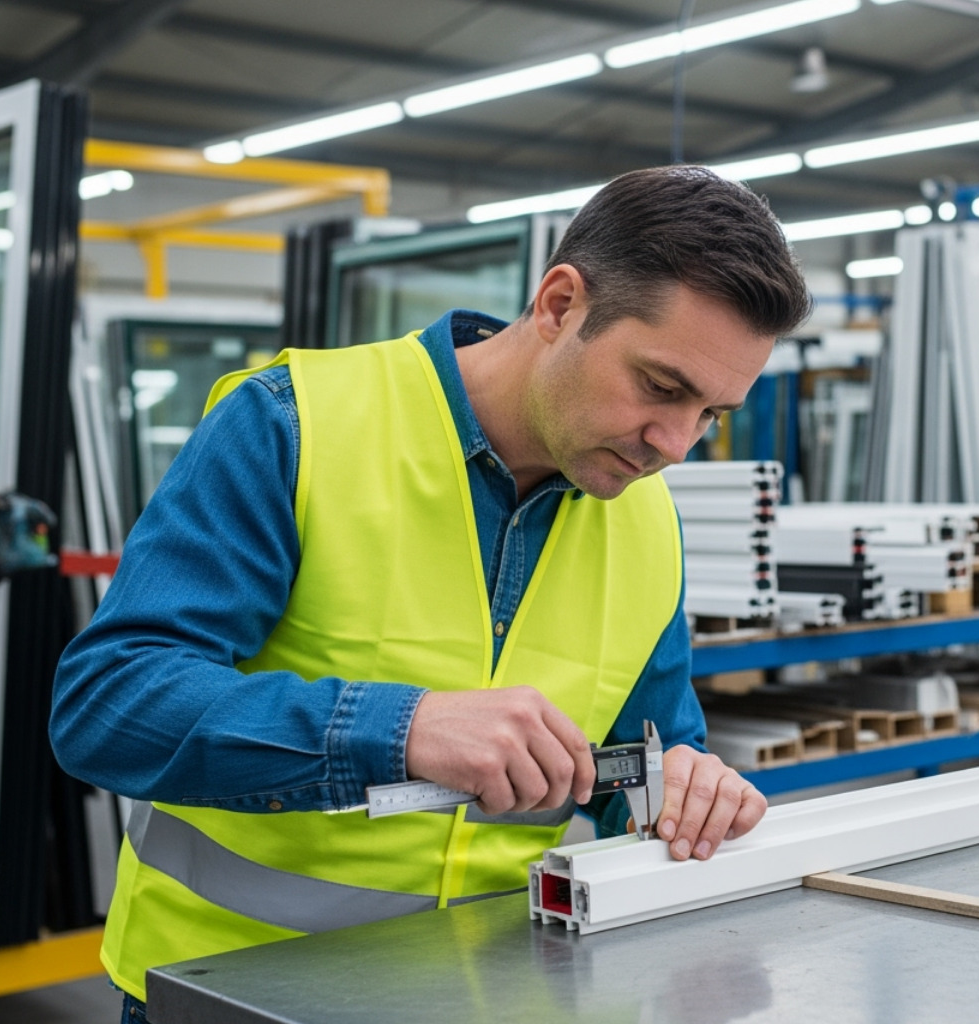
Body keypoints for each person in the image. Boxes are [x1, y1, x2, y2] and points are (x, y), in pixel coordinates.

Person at [50, 165, 812, 1022]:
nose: (675, 444)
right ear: (560, 304)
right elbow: (109, 706)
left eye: (713, 413)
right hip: (227, 994)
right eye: (662, 387)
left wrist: (684, 784)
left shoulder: (647, 522)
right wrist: (400, 729)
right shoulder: (294, 424)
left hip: (491, 998)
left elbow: (638, 760)